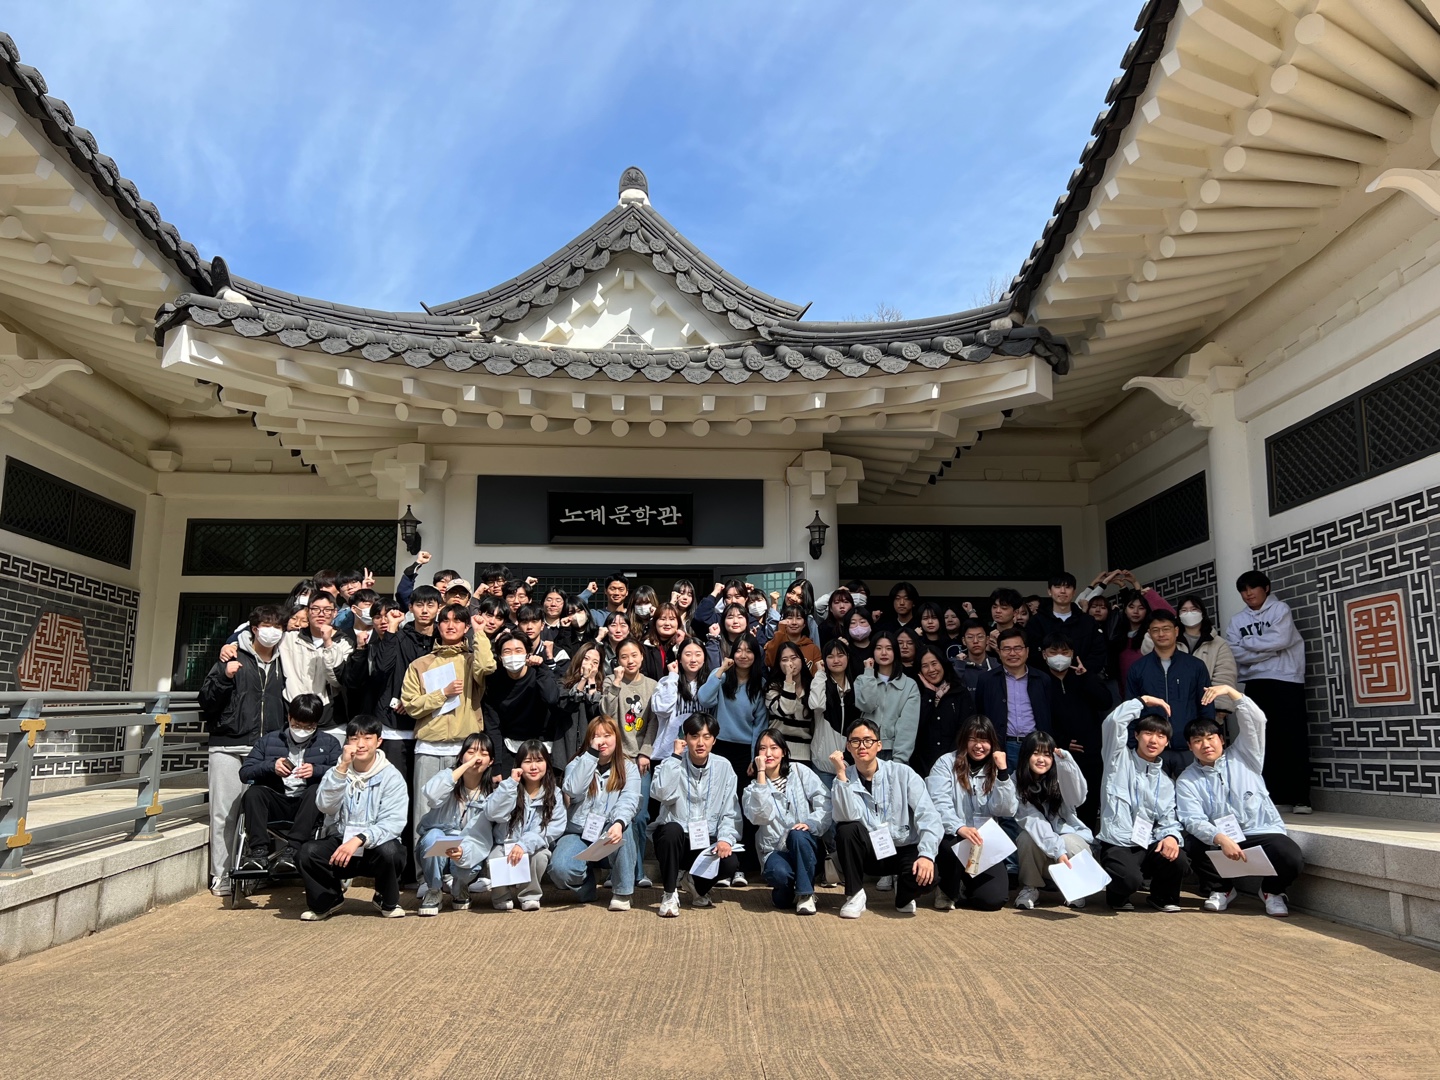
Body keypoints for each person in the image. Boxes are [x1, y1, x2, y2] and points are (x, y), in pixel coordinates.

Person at [1178, 685, 1306, 917]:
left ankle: (1272, 891)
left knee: (1291, 856)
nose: (1206, 745)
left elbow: (1256, 722)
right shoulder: (1187, 779)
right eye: (1197, 740)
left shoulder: (1245, 756)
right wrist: (1220, 838)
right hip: (1221, 837)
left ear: (1221, 740)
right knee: (1191, 845)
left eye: (1210, 738)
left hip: (1259, 830)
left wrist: (1231, 692)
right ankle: (1221, 889)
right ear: (1189, 746)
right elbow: (1192, 819)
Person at [199, 603, 288, 895]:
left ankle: (259, 871)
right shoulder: (233, 655)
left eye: (278, 627)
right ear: (254, 629)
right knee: (225, 813)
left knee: (264, 812)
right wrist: (225, 676)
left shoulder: (287, 661)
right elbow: (206, 700)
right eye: (266, 626)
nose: (272, 632)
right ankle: (221, 874)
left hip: (267, 749)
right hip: (228, 745)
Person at [400, 602, 496, 848]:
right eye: (445, 620)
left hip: (465, 749)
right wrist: (442, 694)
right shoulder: (420, 664)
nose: (451, 625)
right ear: (438, 625)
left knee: (464, 813)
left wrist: (480, 632)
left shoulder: (471, 660)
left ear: (466, 627)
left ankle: (459, 866)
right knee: (425, 811)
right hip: (428, 747)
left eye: (457, 621)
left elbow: (487, 666)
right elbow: (411, 705)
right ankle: (425, 869)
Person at [297, 715, 409, 921]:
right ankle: (329, 898)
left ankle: (385, 897)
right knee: (308, 852)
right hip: (341, 843)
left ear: (379, 741)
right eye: (355, 738)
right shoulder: (336, 771)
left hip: (375, 846)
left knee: (391, 852)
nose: (361, 744)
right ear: (347, 742)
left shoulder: (392, 776)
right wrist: (341, 770)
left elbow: (393, 822)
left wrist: (360, 839)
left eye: (367, 738)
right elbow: (325, 806)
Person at [827, 719, 942, 919]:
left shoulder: (902, 773)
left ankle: (903, 895)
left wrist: (926, 855)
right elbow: (844, 816)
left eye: (868, 740)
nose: (862, 746)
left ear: (879, 745)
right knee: (846, 829)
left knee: (928, 877)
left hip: (903, 846)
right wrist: (841, 774)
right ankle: (855, 894)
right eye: (855, 741)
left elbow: (928, 815)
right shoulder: (844, 777)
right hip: (870, 851)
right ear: (848, 746)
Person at [1224, 571, 1312, 814]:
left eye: (1253, 588)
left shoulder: (1280, 610)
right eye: (1243, 590)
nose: (1248, 594)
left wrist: (1249, 644)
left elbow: (1281, 639)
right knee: (1262, 738)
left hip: (1287, 680)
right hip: (1256, 682)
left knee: (1292, 737)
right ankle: (1277, 795)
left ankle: (1301, 798)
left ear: (1266, 588)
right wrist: (1268, 650)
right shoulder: (1237, 620)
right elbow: (1234, 651)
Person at [1096, 696, 1188, 913]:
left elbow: (1169, 818)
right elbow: (1114, 722)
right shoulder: (1117, 760)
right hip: (1118, 841)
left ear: (1167, 742)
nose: (1153, 740)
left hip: (1148, 841)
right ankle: (1118, 896)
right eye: (1148, 733)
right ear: (1136, 735)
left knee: (1179, 859)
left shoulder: (1166, 783)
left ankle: (1162, 897)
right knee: (1129, 879)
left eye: (1161, 736)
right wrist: (1142, 701)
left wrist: (1171, 837)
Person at [235, 692, 340, 875]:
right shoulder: (268, 741)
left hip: (308, 806)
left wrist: (316, 770)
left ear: (316, 724)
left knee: (316, 790)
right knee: (254, 793)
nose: (301, 730)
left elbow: (341, 773)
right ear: (289, 718)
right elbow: (245, 773)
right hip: (276, 801)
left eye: (308, 727)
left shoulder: (329, 743)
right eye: (297, 725)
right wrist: (271, 766)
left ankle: (293, 850)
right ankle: (258, 852)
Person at [650, 713, 743, 917]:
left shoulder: (724, 767)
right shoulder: (671, 762)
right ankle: (669, 894)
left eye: (707, 737)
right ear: (685, 738)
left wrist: (725, 839)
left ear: (714, 740)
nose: (700, 743)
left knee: (730, 862)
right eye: (694, 736)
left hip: (705, 841)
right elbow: (661, 793)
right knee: (671, 830)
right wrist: (675, 757)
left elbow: (730, 810)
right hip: (677, 841)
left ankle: (695, 884)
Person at [550, 717, 642, 910]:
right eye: (596, 736)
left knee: (625, 829)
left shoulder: (629, 768)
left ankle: (622, 892)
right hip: (578, 832)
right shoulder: (577, 764)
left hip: (609, 831)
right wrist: (591, 756)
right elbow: (572, 790)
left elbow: (629, 800)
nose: (602, 741)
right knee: (560, 869)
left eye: (607, 735)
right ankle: (587, 887)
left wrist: (618, 823)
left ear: (616, 738)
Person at [925, 715, 1015, 911]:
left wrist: (1003, 773)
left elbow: (1006, 810)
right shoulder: (945, 763)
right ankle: (947, 889)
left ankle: (965, 887)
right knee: (948, 845)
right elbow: (937, 803)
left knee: (993, 900)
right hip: (952, 836)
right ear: (964, 739)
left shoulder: (996, 768)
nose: (979, 746)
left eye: (984, 740)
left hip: (983, 843)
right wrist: (960, 827)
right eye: (973, 739)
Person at [742, 728, 831, 914]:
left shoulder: (799, 772)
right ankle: (793, 888)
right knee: (780, 885)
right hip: (775, 850)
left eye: (774, 748)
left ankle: (806, 895)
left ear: (783, 751)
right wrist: (761, 774)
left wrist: (811, 823)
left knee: (797, 834)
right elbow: (760, 816)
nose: (768, 753)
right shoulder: (752, 790)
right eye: (762, 748)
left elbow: (825, 802)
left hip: (805, 845)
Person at [414, 733, 499, 915]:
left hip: (467, 847)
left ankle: (460, 887)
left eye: (483, 754)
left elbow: (481, 838)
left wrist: (463, 853)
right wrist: (465, 766)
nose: (477, 758)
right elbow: (432, 795)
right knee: (432, 836)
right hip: (437, 847)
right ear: (461, 756)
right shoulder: (448, 778)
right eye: (471, 752)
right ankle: (434, 890)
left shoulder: (491, 794)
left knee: (469, 857)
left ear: (491, 761)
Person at [1125, 609, 1213, 777]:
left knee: (1193, 790)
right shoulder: (1138, 668)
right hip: (1151, 748)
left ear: (1176, 631)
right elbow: (1131, 709)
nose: (1161, 634)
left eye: (1166, 629)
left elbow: (1206, 706)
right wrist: (1133, 745)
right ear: (1149, 633)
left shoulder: (1195, 666)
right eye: (1155, 630)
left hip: (1188, 746)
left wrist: (1203, 741)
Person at [1013, 730, 1093, 910]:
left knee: (1069, 840)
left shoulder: (1060, 776)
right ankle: (1030, 887)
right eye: (1036, 753)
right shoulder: (1016, 783)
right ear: (1026, 755)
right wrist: (1057, 851)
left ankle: (1075, 887)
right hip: (1049, 854)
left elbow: (1078, 798)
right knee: (1026, 837)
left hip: (1068, 849)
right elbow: (1034, 821)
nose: (1041, 759)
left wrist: (1068, 765)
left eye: (1047, 755)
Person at [600, 639, 657, 884]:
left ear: (642, 656)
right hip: (615, 761)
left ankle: (638, 871)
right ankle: (616, 871)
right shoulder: (610, 682)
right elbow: (605, 714)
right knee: (615, 815)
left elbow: (655, 722)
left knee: (640, 816)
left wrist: (646, 752)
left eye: (634, 655)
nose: (630, 660)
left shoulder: (652, 685)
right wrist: (615, 683)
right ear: (617, 660)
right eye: (624, 656)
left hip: (640, 759)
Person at [486, 740, 566, 911]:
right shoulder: (508, 787)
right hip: (505, 843)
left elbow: (555, 827)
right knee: (494, 858)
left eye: (539, 761)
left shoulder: (555, 793)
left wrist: (525, 843)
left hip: (535, 844)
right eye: (528, 761)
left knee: (540, 856)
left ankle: (530, 895)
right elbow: (492, 813)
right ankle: (501, 895)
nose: (534, 767)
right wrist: (510, 785)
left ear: (547, 763)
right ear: (519, 765)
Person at [1041, 634, 1111, 829]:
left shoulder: (1084, 677)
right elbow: (1039, 718)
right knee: (1057, 803)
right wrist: (1059, 741)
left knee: (1089, 800)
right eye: (1054, 652)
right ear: (1044, 654)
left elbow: (1105, 701)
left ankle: (1086, 841)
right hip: (1057, 753)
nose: (1059, 656)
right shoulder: (1041, 681)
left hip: (1089, 753)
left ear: (1072, 654)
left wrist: (1087, 676)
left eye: (1065, 652)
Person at [482, 630, 560, 775]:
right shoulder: (494, 682)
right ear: (500, 657)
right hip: (510, 747)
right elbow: (493, 725)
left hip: (542, 746)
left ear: (528, 653)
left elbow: (551, 698)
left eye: (518, 651)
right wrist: (497, 765)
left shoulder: (539, 673)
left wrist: (542, 668)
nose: (513, 656)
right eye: (507, 651)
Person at [278, 592, 353, 740]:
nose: (321, 613)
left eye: (327, 609)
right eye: (315, 609)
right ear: (308, 611)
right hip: (293, 718)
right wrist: (233, 644)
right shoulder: (288, 638)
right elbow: (256, 636)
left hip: (330, 720)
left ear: (335, 612)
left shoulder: (345, 642)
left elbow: (336, 680)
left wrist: (328, 643)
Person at [975, 627, 1052, 766]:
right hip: (1002, 747)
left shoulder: (1042, 679)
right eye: (1006, 649)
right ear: (999, 652)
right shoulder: (987, 680)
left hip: (1036, 745)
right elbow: (980, 713)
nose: (1012, 653)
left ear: (1027, 651)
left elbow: (1051, 714)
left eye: (1017, 648)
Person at [1168, 594, 1239, 737]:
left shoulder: (1218, 643)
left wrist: (1219, 709)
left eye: (1194, 609)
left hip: (1206, 709)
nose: (1189, 613)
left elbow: (1224, 675)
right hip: (1173, 708)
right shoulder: (1169, 640)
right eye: (1184, 610)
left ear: (1202, 613)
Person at [853, 631, 921, 766]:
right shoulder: (862, 680)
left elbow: (908, 726)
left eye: (889, 648)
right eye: (878, 648)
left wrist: (899, 760)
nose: (883, 653)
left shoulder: (909, 685)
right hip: (866, 748)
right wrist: (868, 673)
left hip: (893, 751)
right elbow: (867, 706)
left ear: (895, 652)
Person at [911, 644, 975, 780]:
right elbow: (915, 727)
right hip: (922, 766)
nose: (931, 670)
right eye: (925, 666)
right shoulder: (915, 693)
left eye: (934, 663)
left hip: (954, 764)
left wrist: (951, 759)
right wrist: (929, 695)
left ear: (943, 664)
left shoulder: (960, 692)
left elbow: (966, 729)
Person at [643, 637, 711, 763]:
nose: (693, 659)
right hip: (667, 753)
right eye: (688, 654)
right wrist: (673, 677)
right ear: (679, 658)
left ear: (704, 658)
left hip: (700, 754)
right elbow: (662, 709)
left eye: (698, 654)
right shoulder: (666, 681)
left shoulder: (710, 685)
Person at [1025, 572, 1106, 675]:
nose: (1063, 591)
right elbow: (1031, 653)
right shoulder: (1036, 622)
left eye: (1067, 587)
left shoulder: (1088, 621)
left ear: (1074, 592)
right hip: (1046, 679)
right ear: (1049, 591)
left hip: (1082, 678)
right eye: (1057, 587)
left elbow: (1098, 652)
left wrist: (1086, 669)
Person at [807, 638, 857, 783]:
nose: (836, 660)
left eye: (840, 655)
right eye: (830, 656)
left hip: (850, 764)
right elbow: (816, 704)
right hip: (823, 764)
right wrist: (820, 673)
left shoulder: (855, 686)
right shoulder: (821, 683)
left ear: (848, 657)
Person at [765, 641, 816, 764]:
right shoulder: (773, 688)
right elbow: (786, 709)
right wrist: (789, 679)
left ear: (802, 660)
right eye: (784, 660)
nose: (790, 663)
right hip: (777, 751)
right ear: (779, 664)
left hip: (804, 753)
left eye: (794, 658)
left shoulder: (812, 687)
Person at [556, 642, 605, 768]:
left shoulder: (601, 688)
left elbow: (595, 713)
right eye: (586, 659)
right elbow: (568, 705)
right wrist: (583, 680)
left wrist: (592, 681)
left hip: (588, 750)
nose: (590, 665)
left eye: (595, 662)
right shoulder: (563, 683)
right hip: (564, 749)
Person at [763, 604, 821, 669]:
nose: (794, 622)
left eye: (798, 618)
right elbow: (770, 662)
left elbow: (817, 673)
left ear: (804, 624)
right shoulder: (775, 644)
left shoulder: (813, 648)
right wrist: (780, 631)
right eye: (790, 618)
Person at [953, 619, 1000, 693]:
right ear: (964, 641)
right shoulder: (959, 666)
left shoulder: (996, 666)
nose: (975, 641)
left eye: (980, 637)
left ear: (987, 639)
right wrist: (959, 667)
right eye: (970, 637)